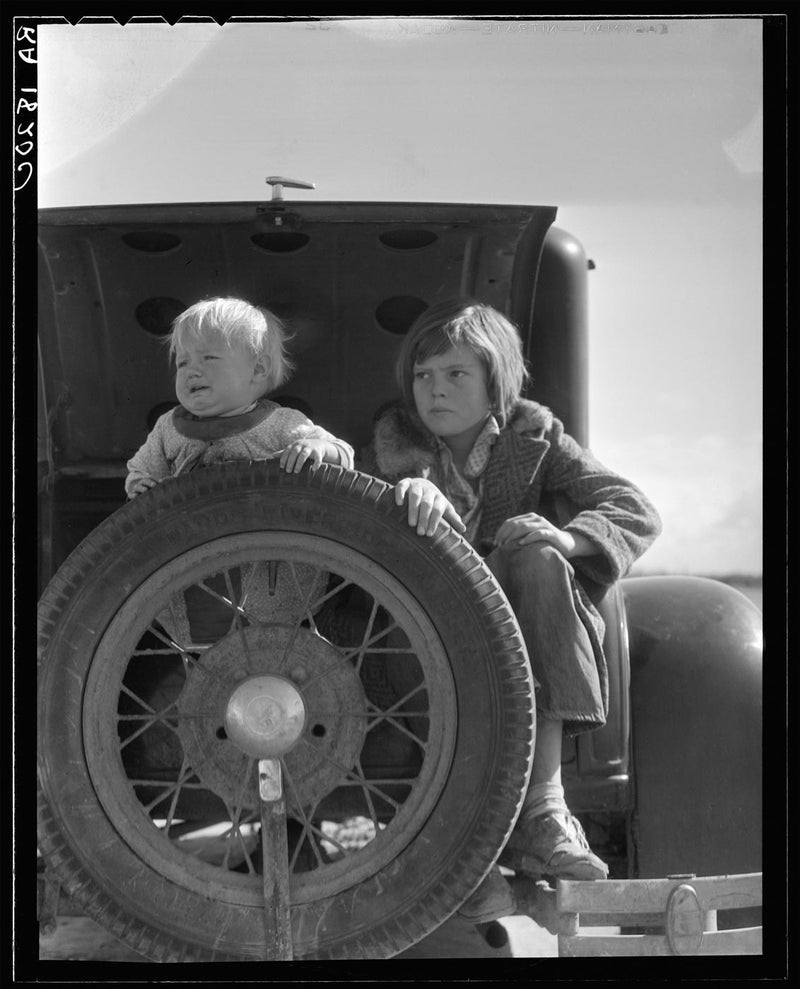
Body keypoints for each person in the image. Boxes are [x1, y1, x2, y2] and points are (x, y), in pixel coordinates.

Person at [368, 299, 661, 924]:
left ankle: (544, 811)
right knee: (445, 611)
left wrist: (569, 537)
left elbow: (635, 508)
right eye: (424, 375)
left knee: (536, 557)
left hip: (522, 630)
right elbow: (364, 516)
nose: (435, 390)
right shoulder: (399, 443)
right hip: (429, 635)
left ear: (494, 385)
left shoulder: (536, 436)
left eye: (455, 375)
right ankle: (468, 855)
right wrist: (406, 493)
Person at [125, 296, 353, 498]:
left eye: (209, 358)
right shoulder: (169, 428)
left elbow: (344, 456)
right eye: (183, 362)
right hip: (191, 535)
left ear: (258, 370)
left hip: (264, 532)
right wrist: (139, 484)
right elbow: (142, 471)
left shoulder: (281, 424)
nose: (191, 371)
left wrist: (318, 448)